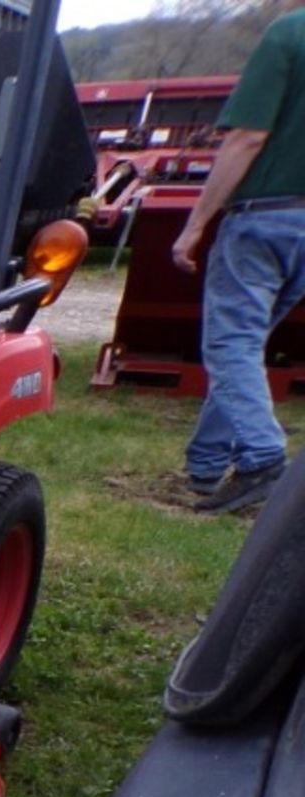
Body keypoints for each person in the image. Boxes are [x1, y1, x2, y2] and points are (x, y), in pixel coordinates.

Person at [172, 3, 305, 514]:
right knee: (246, 348)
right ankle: (206, 466)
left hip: (263, 218)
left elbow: (248, 136)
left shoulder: (289, 35)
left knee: (231, 345)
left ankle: (262, 457)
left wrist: (196, 223)